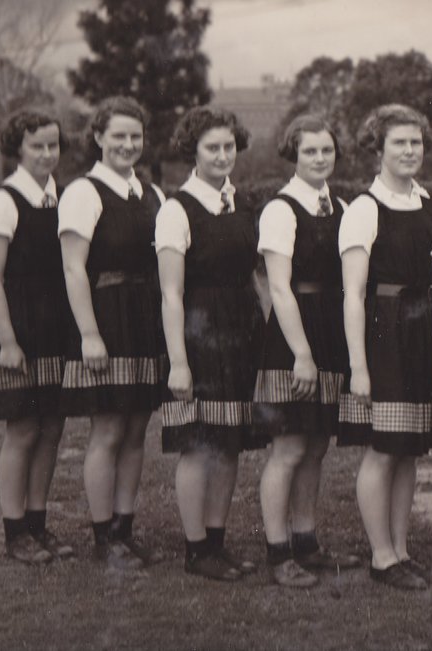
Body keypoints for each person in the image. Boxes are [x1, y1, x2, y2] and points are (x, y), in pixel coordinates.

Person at [337, 104, 432, 591]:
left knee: (409, 450)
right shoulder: (364, 208)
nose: (409, 151)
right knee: (384, 449)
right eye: (399, 142)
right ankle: (381, 557)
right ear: (377, 149)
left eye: (416, 142)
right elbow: (352, 294)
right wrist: (359, 367)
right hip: (383, 334)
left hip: (421, 332)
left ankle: (402, 550)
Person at [58, 96, 166, 570]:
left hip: (145, 319)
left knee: (137, 428)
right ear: (98, 137)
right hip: (106, 316)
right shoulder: (83, 192)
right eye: (118, 135)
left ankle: (125, 528)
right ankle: (104, 537)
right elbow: (73, 268)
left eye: (135, 136)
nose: (127, 144)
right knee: (108, 428)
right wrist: (89, 334)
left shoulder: (152, 193)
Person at [253, 114, 361, 588]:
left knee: (316, 445)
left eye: (326, 150)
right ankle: (278, 552)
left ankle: (306, 540)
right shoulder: (281, 209)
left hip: (331, 331)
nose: (320, 158)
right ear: (293, 154)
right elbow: (278, 287)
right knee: (290, 447)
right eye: (310, 151)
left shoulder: (342, 207)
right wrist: (301, 352)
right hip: (294, 335)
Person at [156, 107, 261, 581]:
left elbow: (252, 276)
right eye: (212, 147)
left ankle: (217, 544)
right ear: (192, 152)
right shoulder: (176, 210)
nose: (222, 155)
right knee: (199, 444)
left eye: (228, 147)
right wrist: (178, 362)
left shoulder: (241, 203)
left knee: (229, 442)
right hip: (198, 334)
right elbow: (171, 293)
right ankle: (196, 549)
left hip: (241, 330)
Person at [0, 110, 74, 564]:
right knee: (23, 429)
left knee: (52, 427)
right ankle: (15, 532)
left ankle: (38, 523)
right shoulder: (4, 201)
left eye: (53, 145)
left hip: (57, 326)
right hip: (19, 326)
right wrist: (8, 341)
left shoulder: (63, 197)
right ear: (18, 147)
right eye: (37, 146)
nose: (47, 154)